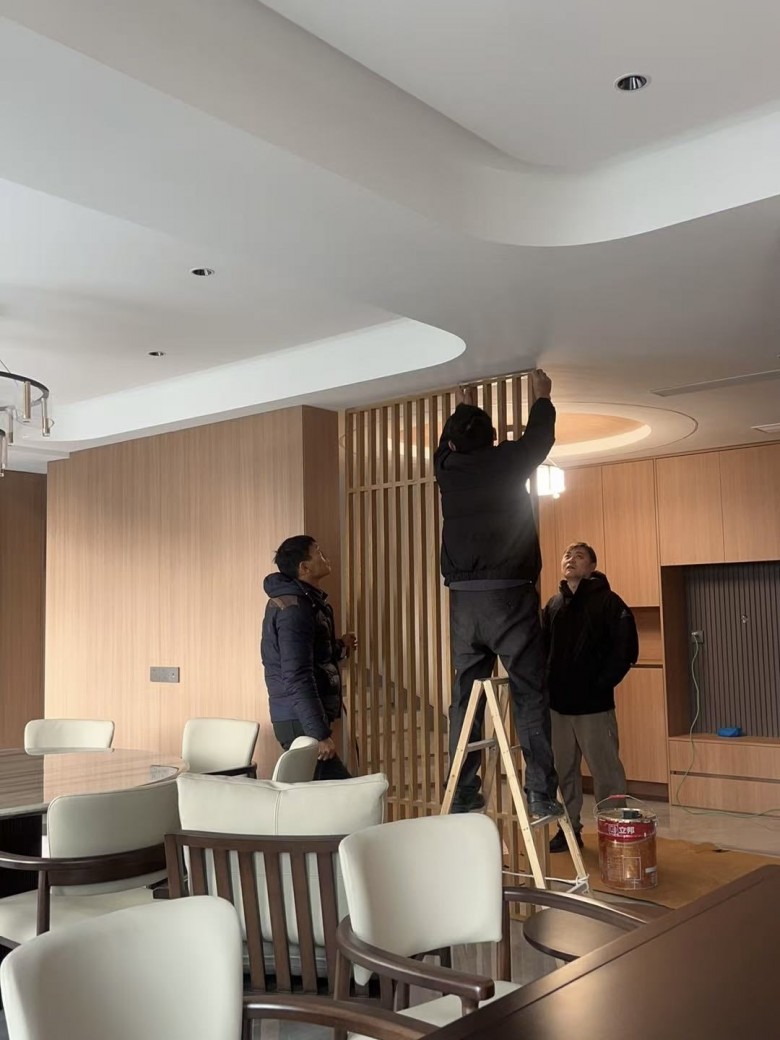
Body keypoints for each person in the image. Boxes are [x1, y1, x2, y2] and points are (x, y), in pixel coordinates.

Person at [434, 368, 563, 819]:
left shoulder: (447, 470)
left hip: (464, 603)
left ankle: (463, 790)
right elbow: (539, 440)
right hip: (510, 597)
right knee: (529, 693)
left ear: (453, 444)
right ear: (491, 440)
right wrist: (542, 397)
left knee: (464, 697)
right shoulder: (507, 461)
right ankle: (540, 794)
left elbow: (444, 445)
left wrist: (462, 406)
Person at [542, 542, 639, 852]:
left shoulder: (609, 602)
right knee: (562, 773)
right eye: (567, 555)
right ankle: (567, 829)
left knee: (606, 772)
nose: (571, 560)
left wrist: (601, 684)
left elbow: (626, 649)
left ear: (592, 567)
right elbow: (541, 649)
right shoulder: (553, 604)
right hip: (558, 706)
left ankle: (613, 831)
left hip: (594, 706)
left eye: (579, 556)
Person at [261, 535, 356, 780]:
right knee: (345, 792)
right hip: (297, 718)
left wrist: (339, 646)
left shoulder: (306, 602)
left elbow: (312, 655)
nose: (325, 557)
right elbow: (296, 674)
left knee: (318, 793)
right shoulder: (294, 609)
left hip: (299, 716)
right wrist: (319, 734)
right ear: (304, 567)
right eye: (319, 553)